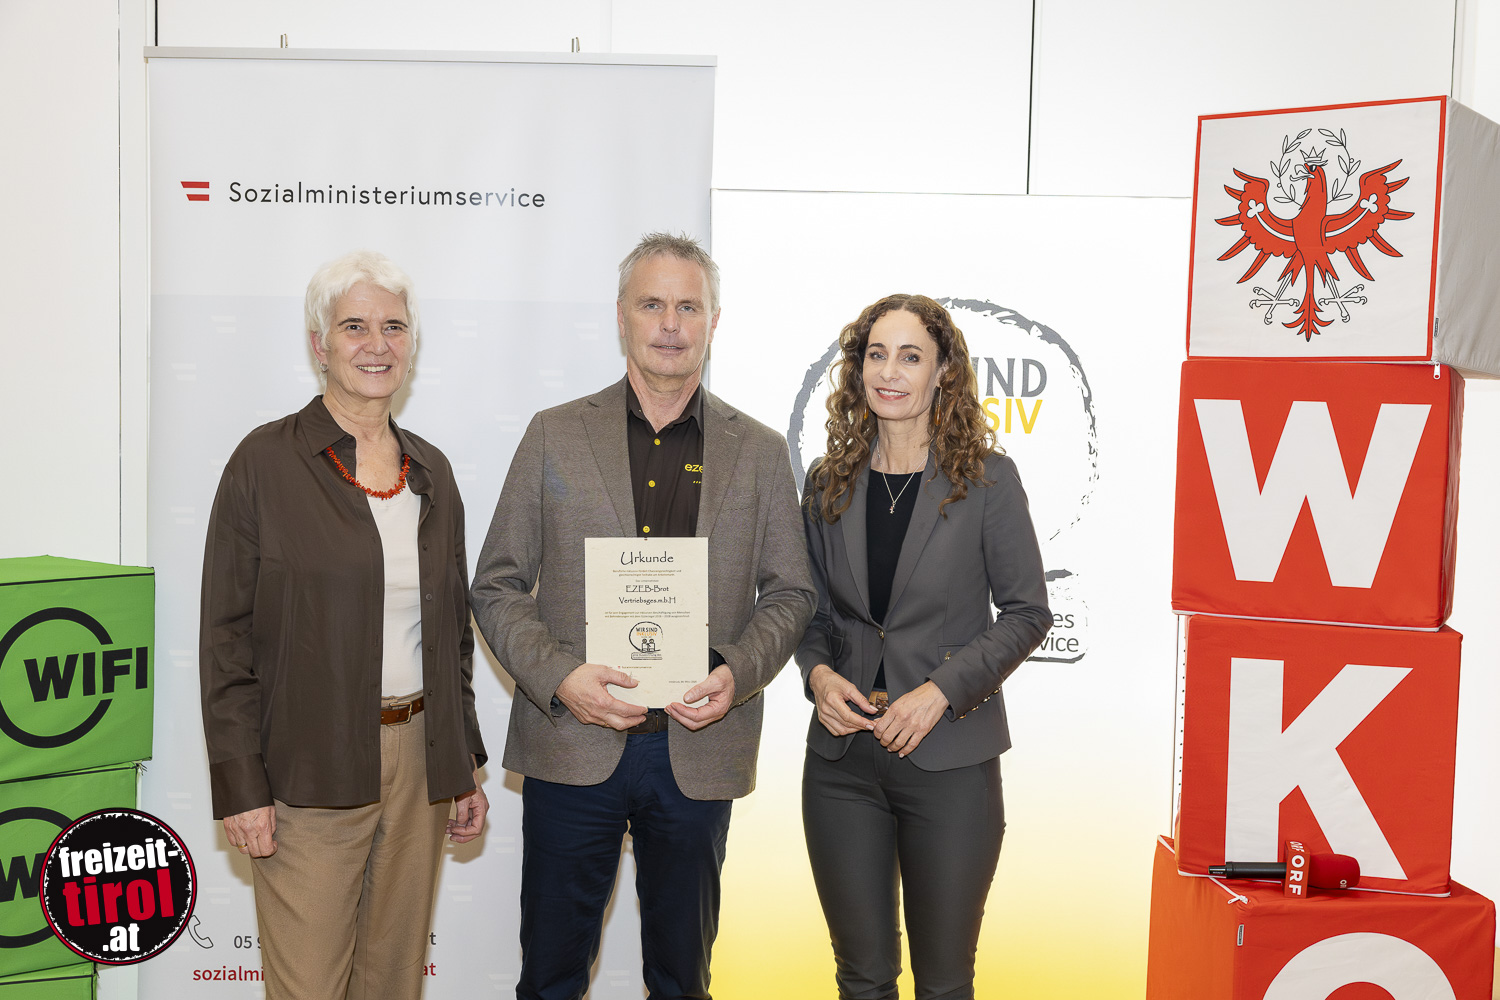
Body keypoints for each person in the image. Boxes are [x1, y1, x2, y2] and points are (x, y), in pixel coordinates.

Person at [471, 232, 815, 1000]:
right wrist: (562, 677)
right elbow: (495, 584)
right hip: (573, 741)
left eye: (688, 307)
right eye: (652, 304)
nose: (670, 324)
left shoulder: (760, 451)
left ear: (714, 321)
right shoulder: (555, 433)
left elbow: (792, 592)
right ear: (621, 316)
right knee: (550, 980)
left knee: (682, 981)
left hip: (698, 747)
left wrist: (737, 673)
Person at [199, 250, 489, 1000]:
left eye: (394, 326)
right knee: (308, 987)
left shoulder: (432, 472)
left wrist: (461, 764)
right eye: (354, 326)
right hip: (307, 768)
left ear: (412, 344)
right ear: (317, 343)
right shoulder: (263, 464)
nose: (376, 344)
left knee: (391, 984)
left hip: (420, 765)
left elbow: (451, 636)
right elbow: (224, 639)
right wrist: (241, 785)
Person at [797, 294, 1051, 1000]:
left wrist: (941, 691)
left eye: (911, 357)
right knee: (861, 979)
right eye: (877, 354)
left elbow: (1028, 612)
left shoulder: (987, 480)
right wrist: (818, 677)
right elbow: (809, 612)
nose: (891, 372)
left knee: (943, 985)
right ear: (858, 370)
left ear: (943, 372)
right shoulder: (826, 482)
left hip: (950, 764)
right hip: (842, 767)